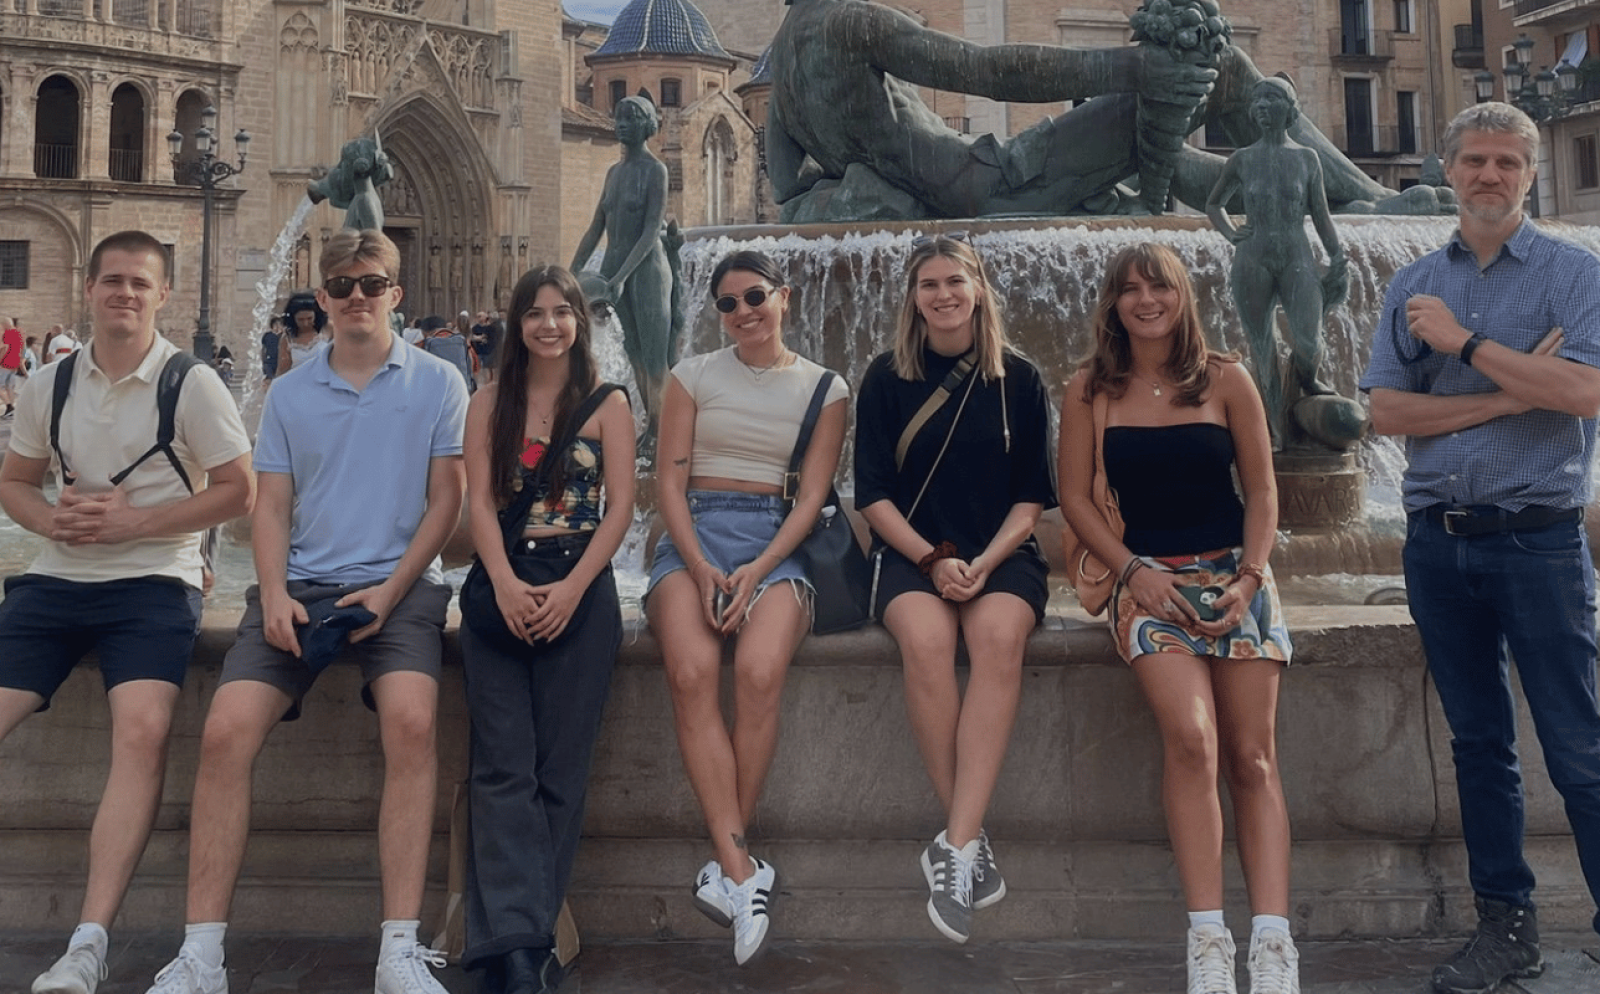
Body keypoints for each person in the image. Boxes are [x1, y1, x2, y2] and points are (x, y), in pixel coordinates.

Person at [142, 230, 468, 994]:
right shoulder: (289, 391)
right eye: (345, 284)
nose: (359, 296)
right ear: (322, 298)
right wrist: (277, 592)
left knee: (414, 724)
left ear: (396, 293)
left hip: (401, 587)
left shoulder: (439, 382)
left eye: (373, 283)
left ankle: (398, 949)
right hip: (302, 588)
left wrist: (393, 591)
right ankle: (202, 953)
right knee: (224, 732)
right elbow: (272, 506)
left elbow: (447, 498)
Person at [1359, 101, 1600, 994]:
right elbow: (1385, 413)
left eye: (1507, 162)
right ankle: (1508, 930)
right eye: (1476, 161)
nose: (1490, 175)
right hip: (1436, 545)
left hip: (1538, 541)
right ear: (1448, 171)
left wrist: (1464, 346)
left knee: (1579, 743)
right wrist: (1507, 392)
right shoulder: (1412, 278)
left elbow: (1583, 392)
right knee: (1479, 746)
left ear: (1530, 175)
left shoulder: (1574, 274)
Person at [0, 229, 254, 994]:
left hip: (154, 581)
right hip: (54, 580)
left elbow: (239, 488)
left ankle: (88, 941)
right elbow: (15, 481)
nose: (125, 294)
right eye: (113, 280)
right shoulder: (49, 384)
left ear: (163, 293)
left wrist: (135, 525)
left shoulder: (191, 382)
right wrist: (52, 523)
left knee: (141, 732)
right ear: (88, 286)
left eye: (141, 284)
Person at [1058, 242, 1292, 994]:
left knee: (1253, 758)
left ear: (1182, 295)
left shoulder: (1226, 378)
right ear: (1113, 304)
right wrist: (1136, 574)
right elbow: (1076, 502)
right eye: (1129, 290)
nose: (1145, 300)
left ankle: (1273, 941)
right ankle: (1208, 941)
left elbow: (1261, 491)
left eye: (1158, 286)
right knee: (1192, 741)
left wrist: (1251, 577)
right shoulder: (1090, 388)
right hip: (1148, 585)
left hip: (1235, 577)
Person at [767, 0, 1445, 221]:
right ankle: (1371, 204)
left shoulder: (785, 59)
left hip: (975, 190)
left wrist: (866, 190)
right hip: (1004, 183)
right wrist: (1127, 67)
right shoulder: (853, 22)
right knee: (1224, 70)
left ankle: (1332, 200)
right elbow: (987, 70)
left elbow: (786, 184)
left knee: (1172, 156)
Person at [852, 233, 1055, 945]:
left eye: (954, 282)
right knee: (929, 640)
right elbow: (871, 495)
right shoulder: (884, 377)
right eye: (928, 284)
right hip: (912, 554)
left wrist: (984, 560)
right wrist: (936, 560)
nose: (942, 295)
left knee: (998, 638)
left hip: (1003, 552)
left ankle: (956, 845)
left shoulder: (1021, 380)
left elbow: (1032, 497)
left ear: (978, 289)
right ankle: (966, 844)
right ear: (913, 297)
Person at [646, 250, 847, 966]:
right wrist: (699, 564)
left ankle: (730, 863)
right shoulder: (691, 375)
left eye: (754, 296)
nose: (742, 313)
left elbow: (815, 494)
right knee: (693, 675)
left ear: (783, 297)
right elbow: (668, 482)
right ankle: (740, 870)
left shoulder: (826, 387)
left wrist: (759, 570)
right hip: (695, 532)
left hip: (777, 538)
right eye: (727, 304)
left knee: (760, 674)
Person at [458, 266, 635, 994]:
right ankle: (514, 944)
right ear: (517, 323)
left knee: (560, 771)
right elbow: (478, 501)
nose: (550, 325)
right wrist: (503, 583)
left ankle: (521, 945)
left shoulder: (608, 403)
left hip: (579, 590)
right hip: (501, 585)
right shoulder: (488, 402)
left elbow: (620, 510)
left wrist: (571, 588)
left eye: (563, 313)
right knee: (502, 769)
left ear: (580, 323)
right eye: (536, 313)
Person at [1206, 76, 1348, 449]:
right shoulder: (1241, 159)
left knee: (1308, 341)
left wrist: (1337, 254)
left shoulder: (1306, 158)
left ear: (1289, 107)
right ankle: (1277, 430)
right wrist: (1229, 232)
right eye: (1257, 102)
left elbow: (1320, 215)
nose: (1261, 107)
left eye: (1270, 100)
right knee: (1262, 346)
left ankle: (1308, 377)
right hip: (1253, 256)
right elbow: (1213, 203)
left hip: (1297, 253)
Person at [571, 94, 675, 449]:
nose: (621, 125)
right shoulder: (613, 173)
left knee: (654, 354)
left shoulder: (655, 170)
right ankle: (651, 424)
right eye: (618, 117)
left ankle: (663, 431)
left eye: (631, 118)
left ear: (647, 125)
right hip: (614, 270)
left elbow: (650, 230)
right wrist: (571, 274)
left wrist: (622, 277)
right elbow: (595, 227)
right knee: (633, 352)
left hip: (646, 270)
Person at [274, 291, 328, 376]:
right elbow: (282, 370)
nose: (305, 323)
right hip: (298, 383)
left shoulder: (328, 330)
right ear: (293, 319)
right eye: (300, 320)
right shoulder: (287, 339)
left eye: (309, 318)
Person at [422, 314, 477, 391]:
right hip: (462, 388)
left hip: (436, 391)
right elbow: (474, 366)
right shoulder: (462, 342)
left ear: (424, 332)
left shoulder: (421, 346)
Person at [1, 313, 23, 417]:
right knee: (10, 387)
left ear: (6, 324)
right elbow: (20, 350)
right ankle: (12, 409)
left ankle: (9, 406)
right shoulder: (18, 334)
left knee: (0, 386)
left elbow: (5, 348)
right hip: (15, 363)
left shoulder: (7, 334)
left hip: (5, 363)